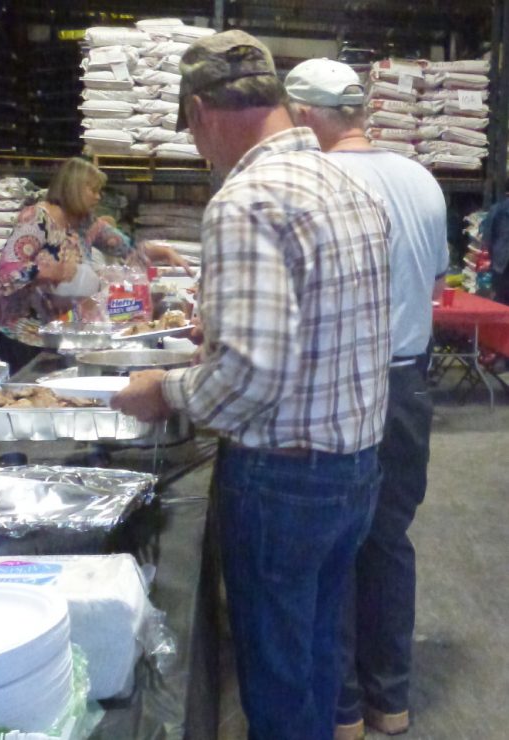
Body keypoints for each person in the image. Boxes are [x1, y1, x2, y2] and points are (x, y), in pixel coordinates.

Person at [111, 31, 391, 740]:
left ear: (203, 109)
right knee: (316, 655)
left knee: (276, 675)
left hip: (282, 480)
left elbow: (248, 378)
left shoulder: (246, 201)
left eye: (192, 129)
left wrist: (165, 389)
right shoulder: (343, 185)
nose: (199, 146)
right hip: (353, 468)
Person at [284, 58, 448, 739]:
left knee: (332, 547)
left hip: (335, 385)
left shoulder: (313, 180)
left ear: (302, 115)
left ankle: (343, 710)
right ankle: (392, 701)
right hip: (407, 380)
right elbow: (434, 276)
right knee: (388, 539)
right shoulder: (420, 178)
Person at [0, 157, 188, 373]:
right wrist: (41, 272)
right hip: (21, 329)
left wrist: (160, 252)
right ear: (74, 188)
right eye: (94, 190)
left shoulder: (83, 221)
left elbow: (124, 247)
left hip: (56, 329)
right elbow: (4, 280)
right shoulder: (36, 219)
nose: (99, 197)